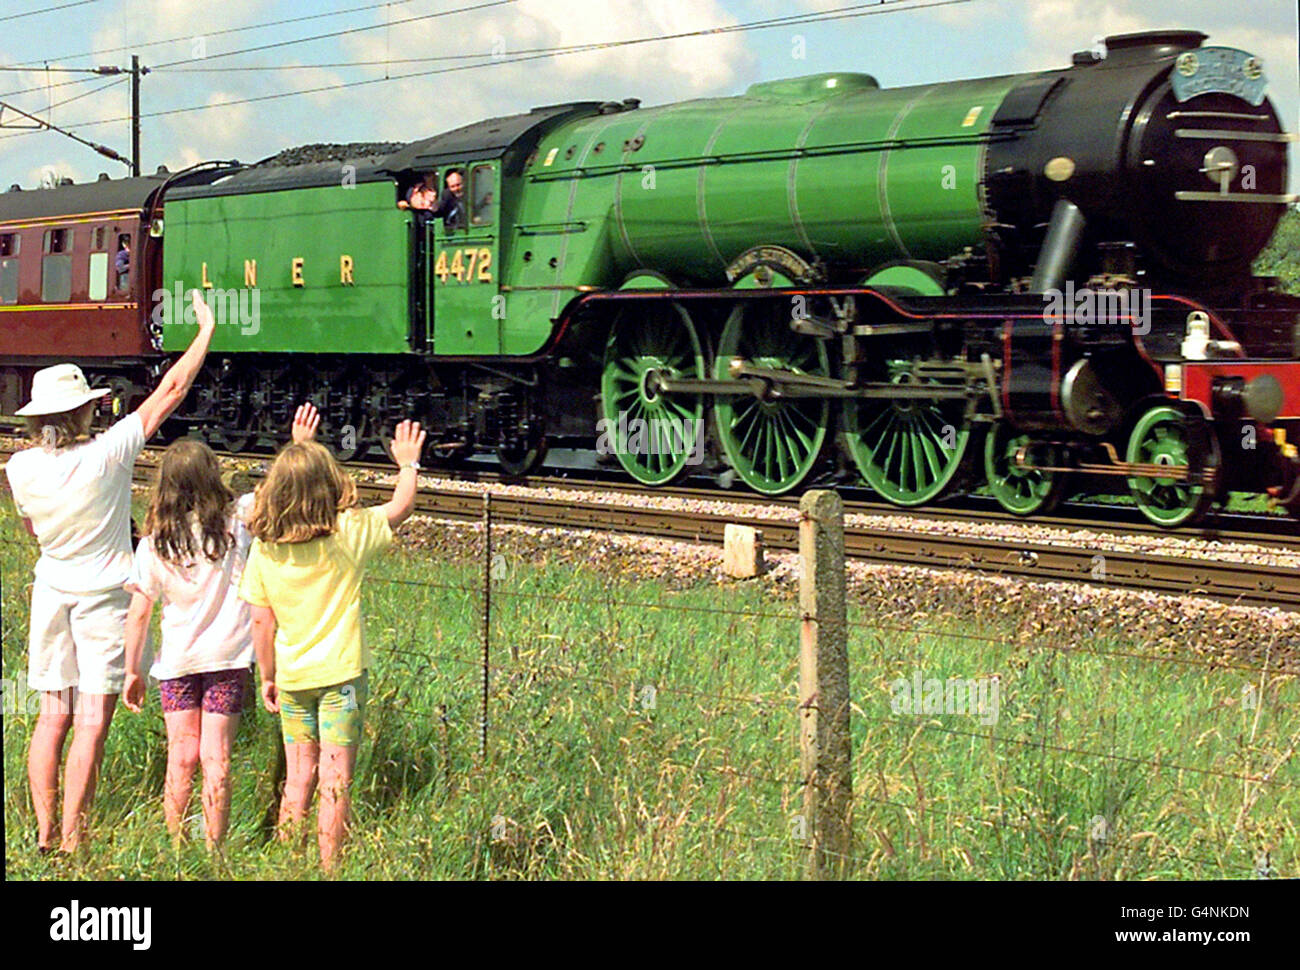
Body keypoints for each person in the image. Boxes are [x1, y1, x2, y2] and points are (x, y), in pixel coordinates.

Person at [5, 290, 216, 853]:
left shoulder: (19, 467)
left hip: (51, 591)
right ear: (84, 411)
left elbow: (33, 532)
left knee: (51, 717)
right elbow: (170, 390)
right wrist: (205, 332)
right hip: (103, 598)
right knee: (92, 720)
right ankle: (74, 835)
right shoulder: (109, 453)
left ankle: (44, 830)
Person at [239, 404, 424, 871]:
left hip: (294, 680)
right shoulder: (349, 533)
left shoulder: (265, 549)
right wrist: (408, 463)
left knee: (299, 776)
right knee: (335, 778)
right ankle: (329, 866)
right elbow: (401, 507)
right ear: (331, 486)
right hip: (341, 678)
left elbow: (262, 622)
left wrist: (268, 676)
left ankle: (288, 859)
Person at [121, 438, 256, 851]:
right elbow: (275, 493)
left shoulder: (153, 544)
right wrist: (301, 443)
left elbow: (140, 613)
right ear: (213, 477)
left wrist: (132, 670)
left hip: (177, 663)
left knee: (181, 754)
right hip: (228, 659)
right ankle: (214, 849)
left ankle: (177, 845)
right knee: (217, 757)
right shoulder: (237, 522)